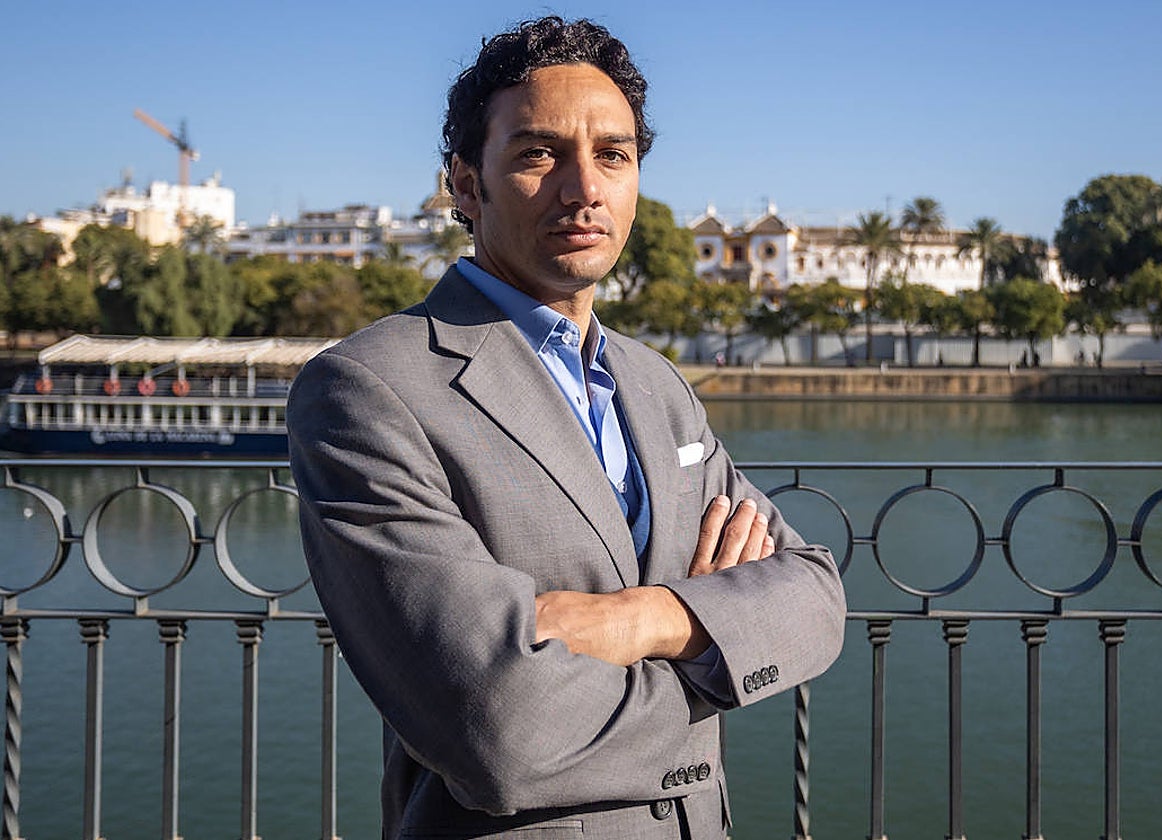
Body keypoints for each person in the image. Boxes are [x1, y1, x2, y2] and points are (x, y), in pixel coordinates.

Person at [287, 16, 845, 840]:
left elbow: (815, 596)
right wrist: (717, 636)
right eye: (538, 154)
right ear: (466, 186)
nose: (584, 189)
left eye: (613, 155)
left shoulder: (656, 385)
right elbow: (495, 725)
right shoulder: (368, 390)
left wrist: (647, 618)